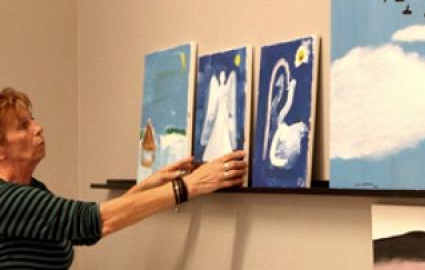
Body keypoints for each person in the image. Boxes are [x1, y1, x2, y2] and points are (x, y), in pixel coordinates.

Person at [0, 87, 247, 269]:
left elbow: (86, 231)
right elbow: (94, 220)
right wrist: (189, 186)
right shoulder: (6, 199)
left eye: (32, 120)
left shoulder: (34, 189)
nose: (38, 128)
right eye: (23, 126)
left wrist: (147, 185)